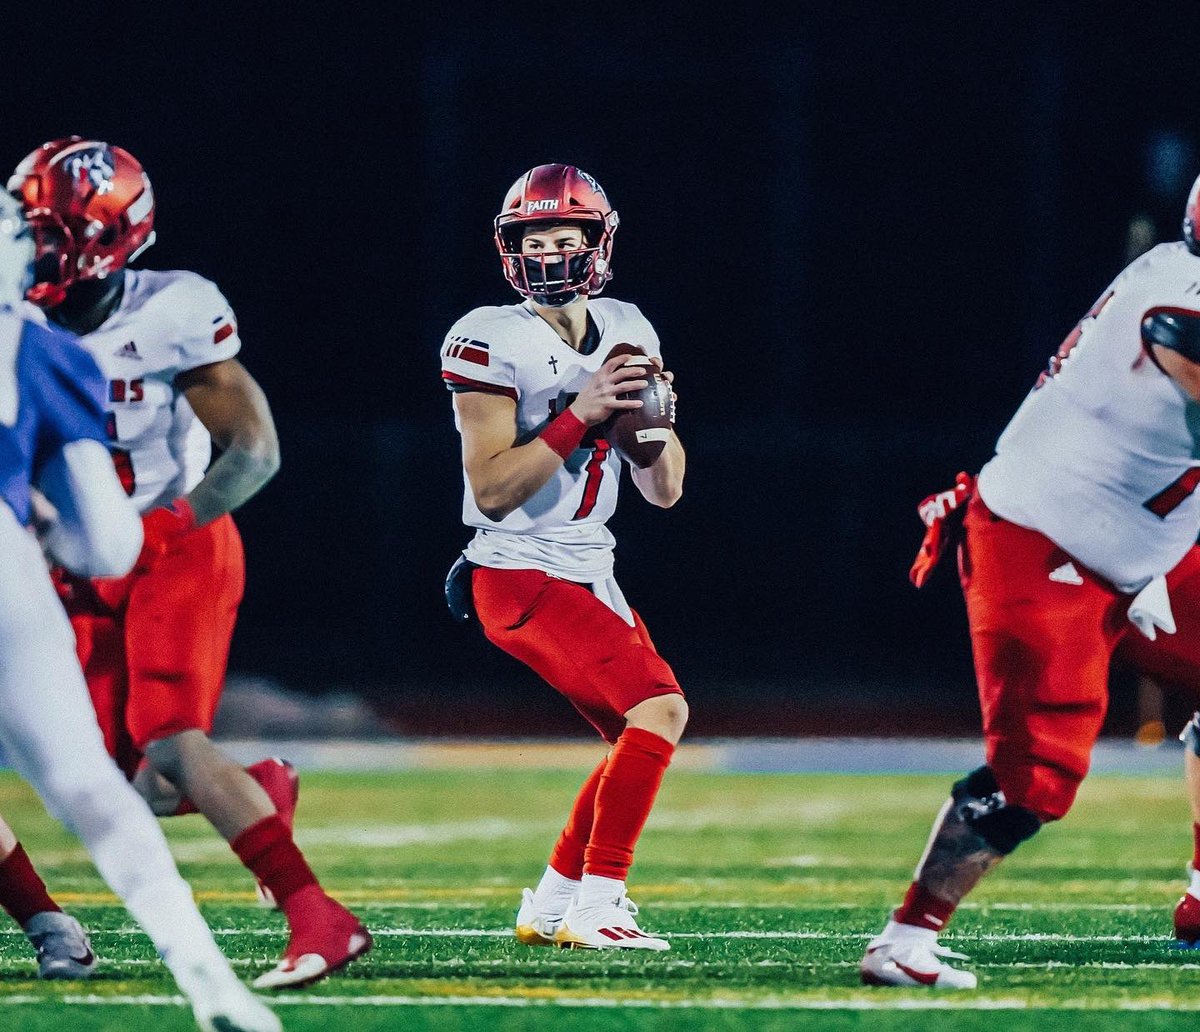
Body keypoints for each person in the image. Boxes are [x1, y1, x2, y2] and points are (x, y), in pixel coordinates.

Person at [8, 137, 370, 989]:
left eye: (52, 232)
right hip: (79, 559)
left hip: (178, 539)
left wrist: (171, 526)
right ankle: (257, 788)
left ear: (107, 237)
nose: (35, 248)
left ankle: (319, 918)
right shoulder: (16, 324)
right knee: (113, 784)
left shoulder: (172, 310)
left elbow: (255, 449)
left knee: (171, 739)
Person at [862, 171, 1200, 988]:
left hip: (1145, 544)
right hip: (1042, 543)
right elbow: (1178, 341)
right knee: (1035, 779)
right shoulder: (1180, 299)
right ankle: (905, 939)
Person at [0, 190, 280, 1032]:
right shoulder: (41, 352)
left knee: (122, 772)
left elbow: (250, 448)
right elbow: (107, 547)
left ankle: (50, 924)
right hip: (10, 568)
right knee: (92, 788)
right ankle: (210, 984)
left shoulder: (99, 334)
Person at [441, 164, 687, 950]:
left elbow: (666, 491)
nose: (548, 253)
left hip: (589, 564)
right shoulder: (488, 335)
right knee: (662, 710)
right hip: (515, 568)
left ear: (597, 244)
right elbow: (493, 491)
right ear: (510, 248)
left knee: (634, 738)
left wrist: (651, 425)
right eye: (534, 238)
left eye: (564, 237)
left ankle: (553, 900)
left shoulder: (629, 327)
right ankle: (599, 903)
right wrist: (581, 414)